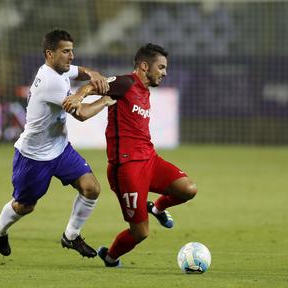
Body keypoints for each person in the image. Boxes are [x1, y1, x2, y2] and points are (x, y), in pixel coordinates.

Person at [63, 43, 198, 267]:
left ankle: (156, 207)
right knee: (141, 232)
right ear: (145, 66)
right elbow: (95, 85)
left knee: (188, 189)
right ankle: (110, 256)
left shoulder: (145, 91)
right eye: (161, 67)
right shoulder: (126, 83)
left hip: (150, 160)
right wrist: (79, 96)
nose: (165, 73)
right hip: (127, 169)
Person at [0, 29, 115, 258]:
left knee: (91, 188)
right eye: (66, 51)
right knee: (25, 206)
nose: (71, 56)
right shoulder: (51, 82)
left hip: (60, 148)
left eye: (72, 51)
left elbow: (79, 72)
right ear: (50, 54)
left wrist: (92, 73)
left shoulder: (60, 70)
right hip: (34, 157)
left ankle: (71, 236)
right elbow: (82, 114)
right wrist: (105, 101)